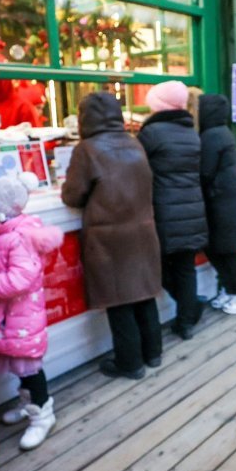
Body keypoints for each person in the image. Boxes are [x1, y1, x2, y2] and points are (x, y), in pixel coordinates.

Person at [62, 92, 164, 379]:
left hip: (109, 239)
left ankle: (130, 364)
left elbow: (73, 195)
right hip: (143, 232)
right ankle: (153, 353)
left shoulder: (87, 149)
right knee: (144, 295)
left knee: (120, 301)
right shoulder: (135, 143)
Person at [0, 172, 64, 450]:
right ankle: (29, 404)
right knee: (19, 366)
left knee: (28, 368)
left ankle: (43, 414)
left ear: (1, 210)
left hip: (20, 318)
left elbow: (21, 279)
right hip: (7, 319)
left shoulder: (18, 237)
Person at [137, 81, 208, 340]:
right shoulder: (190, 130)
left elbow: (137, 168)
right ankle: (186, 320)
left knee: (159, 266)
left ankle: (189, 309)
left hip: (164, 211)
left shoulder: (152, 133)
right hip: (192, 209)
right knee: (185, 267)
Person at [197, 94, 236, 314]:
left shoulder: (212, 135)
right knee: (220, 249)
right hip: (226, 199)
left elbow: (205, 171)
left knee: (232, 251)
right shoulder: (221, 132)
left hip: (224, 202)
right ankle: (232, 292)